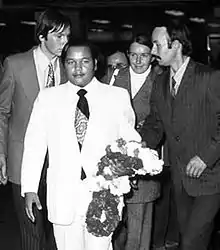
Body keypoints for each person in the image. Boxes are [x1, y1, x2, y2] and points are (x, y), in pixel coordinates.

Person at [20, 39, 142, 250]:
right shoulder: (48, 98)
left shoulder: (117, 97)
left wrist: (125, 174)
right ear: (63, 64)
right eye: (71, 62)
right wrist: (30, 188)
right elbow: (34, 144)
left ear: (95, 63)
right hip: (63, 196)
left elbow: (130, 143)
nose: (78, 68)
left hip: (103, 196)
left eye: (84, 61)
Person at [140, 19, 220, 250]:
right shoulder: (160, 82)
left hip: (212, 176)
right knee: (192, 240)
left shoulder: (210, 77)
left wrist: (206, 157)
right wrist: (141, 142)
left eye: (157, 44)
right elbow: (156, 124)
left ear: (175, 44)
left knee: (191, 242)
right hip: (180, 178)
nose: (152, 51)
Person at [0, 8, 71, 250]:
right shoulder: (14, 65)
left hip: (60, 163)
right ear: (42, 36)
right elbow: (2, 112)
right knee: (31, 230)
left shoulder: (70, 68)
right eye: (59, 36)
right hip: (23, 160)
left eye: (67, 36)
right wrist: (1, 153)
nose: (65, 42)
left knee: (59, 229)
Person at [108, 34, 161, 250]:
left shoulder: (161, 80)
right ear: (127, 55)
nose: (138, 61)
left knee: (139, 225)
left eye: (144, 55)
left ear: (152, 57)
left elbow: (160, 123)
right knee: (114, 222)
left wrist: (141, 150)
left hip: (144, 156)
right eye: (133, 55)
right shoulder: (115, 76)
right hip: (114, 158)